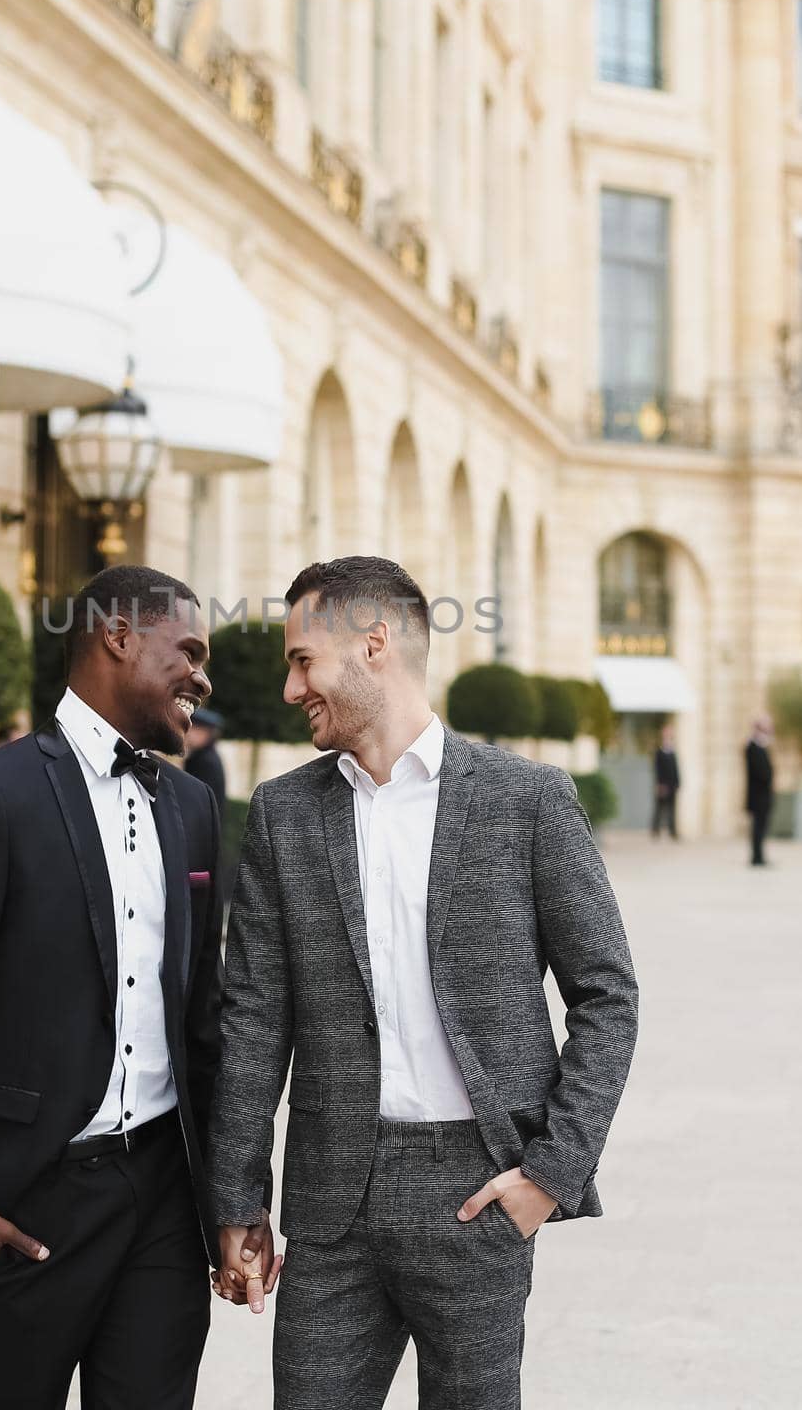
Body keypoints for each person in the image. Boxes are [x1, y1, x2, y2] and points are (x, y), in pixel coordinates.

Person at [208, 555, 639, 1410]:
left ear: (373, 646)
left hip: (478, 1190)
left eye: (301, 661)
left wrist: (549, 1173)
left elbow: (607, 994)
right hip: (330, 1203)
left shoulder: (527, 800)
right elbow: (253, 1019)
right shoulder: (284, 813)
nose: (291, 689)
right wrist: (237, 1195)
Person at [0, 564, 276, 1410]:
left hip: (165, 1191)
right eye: (189, 650)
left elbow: (201, 1021)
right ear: (118, 636)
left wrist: (231, 1200)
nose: (203, 675)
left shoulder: (193, 807)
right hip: (33, 1198)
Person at [184, 706, 227, 818]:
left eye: (192, 729)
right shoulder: (205, 756)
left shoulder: (205, 761)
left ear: (205, 734)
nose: (187, 734)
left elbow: (197, 801)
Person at [745, 715, 775, 868]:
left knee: (762, 826)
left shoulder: (762, 746)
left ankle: (760, 856)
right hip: (757, 795)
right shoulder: (752, 746)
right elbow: (760, 772)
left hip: (764, 795)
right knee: (757, 827)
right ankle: (756, 857)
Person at [652, 722, 680, 839]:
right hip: (663, 784)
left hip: (672, 784)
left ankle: (673, 831)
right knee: (660, 808)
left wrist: (678, 782)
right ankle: (656, 830)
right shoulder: (659, 752)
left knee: (672, 809)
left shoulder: (672, 751)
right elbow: (657, 769)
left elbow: (676, 768)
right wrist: (659, 784)